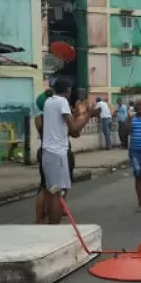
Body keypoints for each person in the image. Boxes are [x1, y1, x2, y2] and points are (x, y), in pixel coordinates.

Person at [41, 78, 99, 224]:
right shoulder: (62, 102)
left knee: (52, 192)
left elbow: (65, 126)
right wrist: (88, 116)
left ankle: (51, 227)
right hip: (58, 153)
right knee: (57, 194)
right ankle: (54, 230)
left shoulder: (49, 102)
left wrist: (79, 115)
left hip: (48, 152)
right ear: (67, 91)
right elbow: (74, 130)